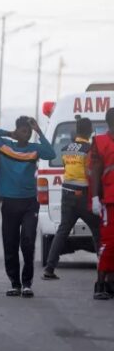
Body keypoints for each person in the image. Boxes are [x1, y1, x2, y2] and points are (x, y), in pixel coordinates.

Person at [0, 117, 56, 298]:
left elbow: (51, 153)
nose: (27, 134)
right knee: (10, 244)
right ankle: (14, 283)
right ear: (17, 131)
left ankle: (27, 284)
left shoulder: (35, 149)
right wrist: (8, 133)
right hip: (10, 203)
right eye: (24, 131)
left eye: (29, 132)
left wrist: (39, 131)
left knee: (28, 243)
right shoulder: (5, 145)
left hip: (30, 202)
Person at [43, 117, 100, 280]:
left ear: (77, 130)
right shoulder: (89, 149)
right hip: (83, 195)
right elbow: (90, 172)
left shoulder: (66, 148)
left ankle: (49, 269)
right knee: (98, 231)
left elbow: (67, 167)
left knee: (62, 231)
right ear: (89, 131)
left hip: (66, 193)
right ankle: (105, 269)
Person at [90, 107, 114, 300]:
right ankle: (100, 284)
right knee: (108, 243)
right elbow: (96, 172)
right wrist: (95, 198)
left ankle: (110, 283)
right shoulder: (100, 142)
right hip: (109, 201)